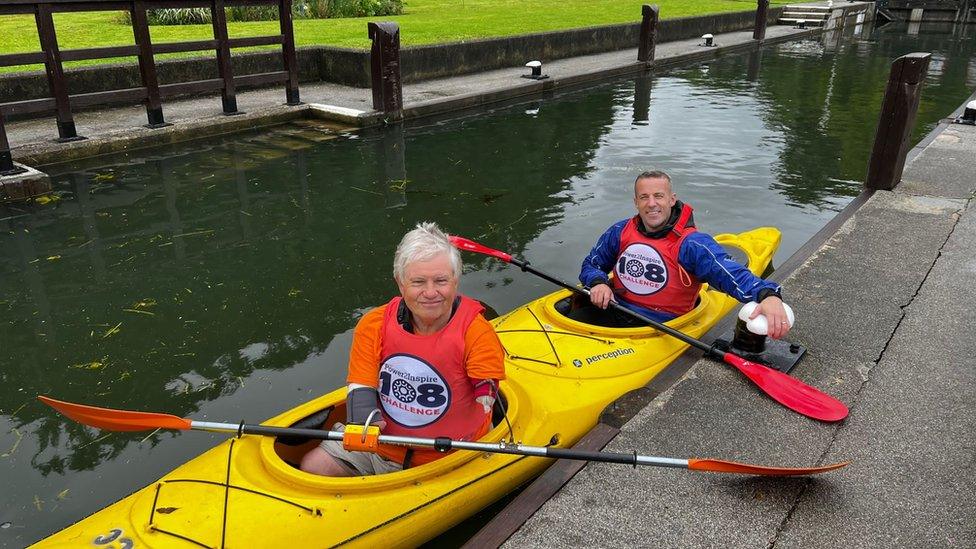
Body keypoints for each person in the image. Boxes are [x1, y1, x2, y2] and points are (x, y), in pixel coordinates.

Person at [300, 222, 505, 476]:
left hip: (451, 453)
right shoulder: (373, 325)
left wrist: (485, 388)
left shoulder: (475, 330)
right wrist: (365, 421)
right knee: (313, 465)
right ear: (400, 283)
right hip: (381, 445)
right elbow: (361, 382)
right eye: (418, 282)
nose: (430, 292)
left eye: (440, 280)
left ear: (455, 281)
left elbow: (487, 376)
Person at [579, 170, 792, 339]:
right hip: (614, 310)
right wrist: (598, 282)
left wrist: (768, 295)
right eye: (644, 197)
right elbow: (591, 264)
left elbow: (734, 277)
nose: (651, 203)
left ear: (672, 199)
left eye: (658, 196)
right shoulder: (619, 231)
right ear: (636, 202)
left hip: (662, 328)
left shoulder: (693, 244)